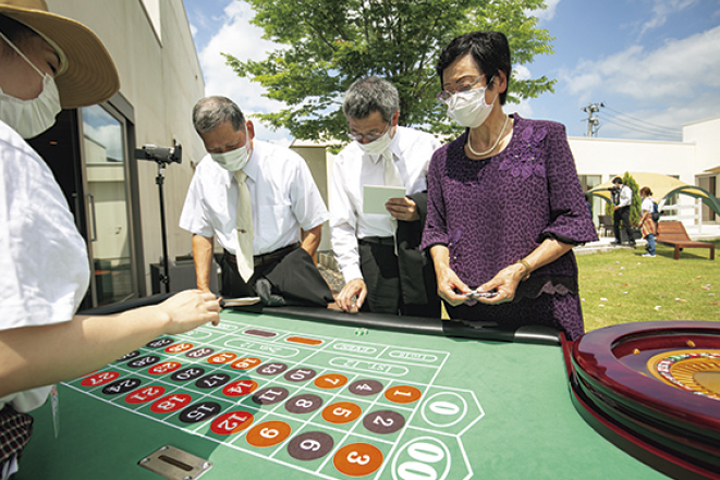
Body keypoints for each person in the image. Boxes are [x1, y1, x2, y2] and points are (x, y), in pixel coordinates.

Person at [0, 3, 220, 478]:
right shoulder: (6, 155)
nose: (52, 89)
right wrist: (160, 316)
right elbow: (11, 356)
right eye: (50, 64)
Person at [420, 31, 598, 341]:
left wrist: (521, 269)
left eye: (464, 86)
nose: (455, 98)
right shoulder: (442, 160)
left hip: (541, 308)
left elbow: (573, 220)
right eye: (447, 91)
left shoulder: (545, 139)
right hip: (469, 309)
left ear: (498, 81)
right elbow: (436, 230)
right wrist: (442, 269)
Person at [180, 96, 333, 307]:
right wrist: (203, 290)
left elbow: (313, 225)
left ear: (249, 130)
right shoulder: (205, 172)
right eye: (215, 150)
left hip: (286, 264)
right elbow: (201, 232)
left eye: (231, 145)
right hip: (235, 271)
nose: (225, 155)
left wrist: (294, 269)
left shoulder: (287, 164)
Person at [330, 76, 441, 316]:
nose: (364, 142)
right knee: (376, 331)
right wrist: (352, 275)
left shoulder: (426, 146)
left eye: (373, 134)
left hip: (417, 251)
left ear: (394, 118)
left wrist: (418, 210)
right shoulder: (345, 161)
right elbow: (342, 225)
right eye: (356, 134)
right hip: (373, 257)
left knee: (423, 328)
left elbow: (446, 205)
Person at [611, 176, 635, 247]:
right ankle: (618, 239)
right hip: (617, 207)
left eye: (615, 184)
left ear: (617, 183)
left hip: (624, 208)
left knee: (626, 224)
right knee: (616, 224)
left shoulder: (626, 189)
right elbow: (613, 198)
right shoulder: (615, 190)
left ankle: (631, 240)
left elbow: (628, 199)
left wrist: (620, 205)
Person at [638, 186, 657, 257]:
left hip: (646, 219)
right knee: (649, 235)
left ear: (643, 193)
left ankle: (652, 252)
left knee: (649, 235)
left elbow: (646, 211)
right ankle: (650, 250)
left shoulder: (646, 201)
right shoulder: (650, 200)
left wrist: (641, 220)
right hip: (650, 218)